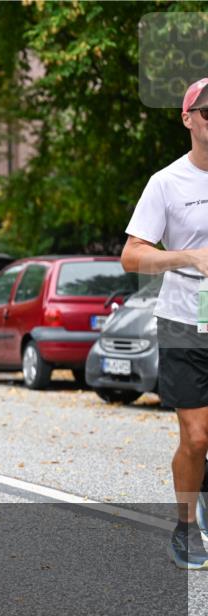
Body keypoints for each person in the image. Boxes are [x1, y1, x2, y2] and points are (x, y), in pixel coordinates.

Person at [121, 77, 208, 570]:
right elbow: (132, 257)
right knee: (195, 437)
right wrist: (187, 258)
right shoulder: (167, 183)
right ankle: (186, 526)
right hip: (185, 320)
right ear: (188, 118)